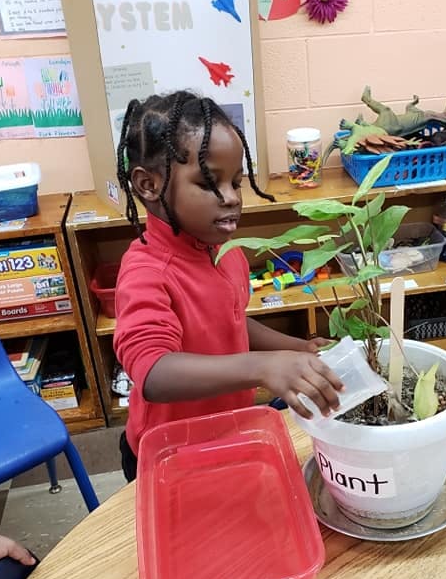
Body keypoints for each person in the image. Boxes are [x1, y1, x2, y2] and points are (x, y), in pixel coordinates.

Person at [113, 91, 343, 482]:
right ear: (148, 185)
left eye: (237, 182)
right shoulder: (146, 270)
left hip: (225, 436)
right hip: (170, 456)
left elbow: (231, 323)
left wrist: (297, 348)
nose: (233, 198)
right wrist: (263, 367)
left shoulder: (225, 251)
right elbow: (153, 372)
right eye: (209, 182)